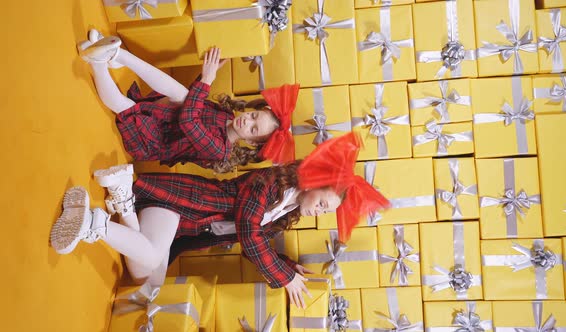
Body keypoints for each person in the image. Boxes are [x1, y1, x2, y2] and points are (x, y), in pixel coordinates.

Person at [49, 133, 389, 308]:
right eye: (324, 203)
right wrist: (281, 276)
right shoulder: (270, 182)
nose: (320, 212)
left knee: (146, 282)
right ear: (315, 182)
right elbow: (247, 230)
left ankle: (122, 203)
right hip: (179, 206)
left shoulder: (288, 210)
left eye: (328, 212)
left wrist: (285, 263)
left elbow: (253, 243)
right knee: (150, 258)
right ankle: (94, 223)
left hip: (183, 230)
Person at [77, 29, 298, 171]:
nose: (246, 121)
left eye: (253, 129)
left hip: (154, 139)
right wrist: (205, 76)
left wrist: (208, 81)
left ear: (250, 142)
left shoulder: (219, 149)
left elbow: (189, 121)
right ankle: (116, 55)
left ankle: (97, 61)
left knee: (131, 107)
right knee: (183, 94)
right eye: (253, 116)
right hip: (163, 117)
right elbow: (194, 100)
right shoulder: (227, 115)